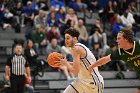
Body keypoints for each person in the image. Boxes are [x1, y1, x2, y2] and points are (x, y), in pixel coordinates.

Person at [88, 27, 140, 93]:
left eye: (119, 38)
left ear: (126, 39)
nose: (116, 41)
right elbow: (105, 59)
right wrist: (92, 66)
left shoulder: (138, 44)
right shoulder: (120, 52)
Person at [57, 28, 104, 93]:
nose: (66, 40)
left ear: (75, 39)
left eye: (68, 38)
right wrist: (66, 63)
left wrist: (66, 63)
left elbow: (75, 71)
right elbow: (80, 64)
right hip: (82, 81)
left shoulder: (76, 49)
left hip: (93, 82)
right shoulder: (78, 47)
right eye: (65, 38)